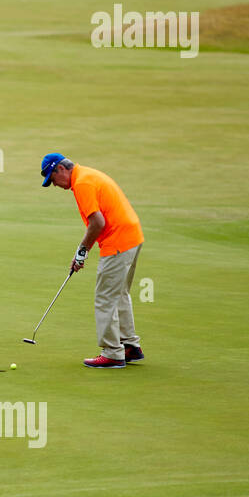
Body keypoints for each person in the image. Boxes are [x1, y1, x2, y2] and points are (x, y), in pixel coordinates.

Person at [40, 153, 145, 368]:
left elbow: (97, 222)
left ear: (61, 168)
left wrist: (81, 251)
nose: (55, 185)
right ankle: (129, 346)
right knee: (120, 294)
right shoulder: (87, 175)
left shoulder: (82, 183)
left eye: (53, 179)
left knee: (105, 298)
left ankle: (113, 353)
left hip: (118, 242)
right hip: (132, 236)